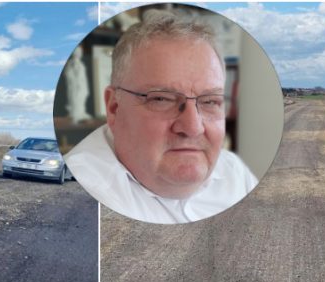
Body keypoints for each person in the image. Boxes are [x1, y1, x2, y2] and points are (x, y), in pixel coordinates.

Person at [65, 11, 258, 224]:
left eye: (210, 101)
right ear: (114, 107)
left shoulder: (235, 172)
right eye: (161, 99)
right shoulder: (86, 193)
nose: (193, 127)